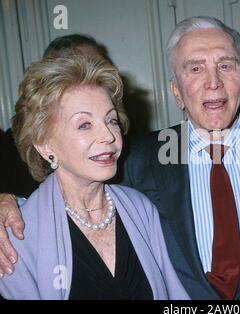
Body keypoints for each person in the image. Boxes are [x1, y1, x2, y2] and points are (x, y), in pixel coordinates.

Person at [0, 16, 240, 299]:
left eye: (226, 65)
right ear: (175, 91)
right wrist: (6, 202)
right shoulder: (137, 159)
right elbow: (69, 189)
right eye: (194, 69)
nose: (213, 82)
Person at [0, 51, 188, 300]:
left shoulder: (140, 208)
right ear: (45, 144)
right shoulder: (17, 235)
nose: (109, 136)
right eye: (84, 125)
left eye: (111, 120)